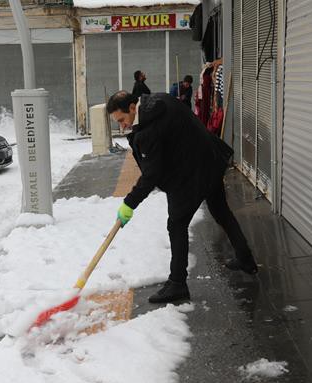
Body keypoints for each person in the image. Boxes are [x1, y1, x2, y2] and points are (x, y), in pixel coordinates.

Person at [106, 90, 258, 303]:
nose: (122, 126)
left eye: (122, 120)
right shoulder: (159, 99)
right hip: (209, 159)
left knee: (176, 225)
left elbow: (151, 174)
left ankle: (177, 284)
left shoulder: (149, 130)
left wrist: (129, 204)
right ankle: (245, 259)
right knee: (221, 212)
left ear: (132, 108)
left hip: (191, 173)